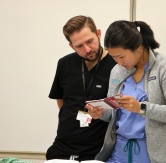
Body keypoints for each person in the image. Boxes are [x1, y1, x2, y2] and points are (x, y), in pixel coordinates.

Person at [86, 20, 166, 163]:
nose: (118, 62)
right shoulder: (117, 71)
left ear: (138, 48)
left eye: (121, 56)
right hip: (118, 154)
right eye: (113, 57)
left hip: (155, 156)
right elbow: (112, 113)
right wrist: (100, 112)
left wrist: (141, 108)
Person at [46, 15, 116, 161]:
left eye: (90, 41)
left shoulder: (116, 65)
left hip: (97, 152)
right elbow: (61, 100)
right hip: (61, 148)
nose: (87, 49)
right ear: (71, 46)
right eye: (79, 46)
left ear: (98, 33)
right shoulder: (65, 64)